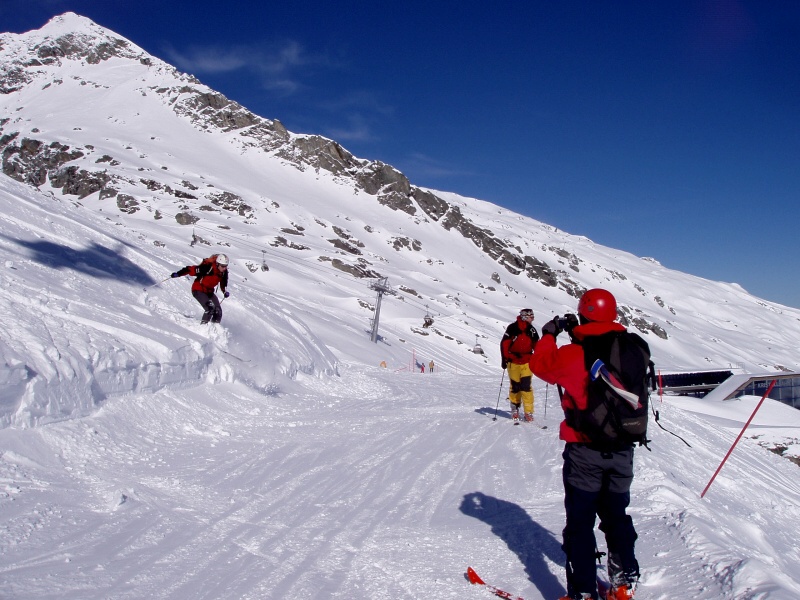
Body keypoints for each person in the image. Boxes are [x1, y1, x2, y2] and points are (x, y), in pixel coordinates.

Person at [530, 289, 641, 600]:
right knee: (616, 516)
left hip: (584, 452)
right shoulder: (631, 350)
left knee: (580, 523)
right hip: (623, 449)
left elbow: (540, 365)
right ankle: (622, 583)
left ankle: (583, 591)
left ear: (583, 314)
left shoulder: (572, 354)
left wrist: (550, 334)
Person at [500, 308, 539, 422]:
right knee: (515, 386)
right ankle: (515, 408)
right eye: (530, 316)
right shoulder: (512, 328)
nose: (532, 318)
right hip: (513, 362)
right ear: (524, 317)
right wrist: (505, 358)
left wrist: (539, 358)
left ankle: (528, 411)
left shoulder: (531, 330)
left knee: (526, 386)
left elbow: (537, 345)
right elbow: (505, 343)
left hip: (527, 361)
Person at [172, 254, 230, 324]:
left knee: (218, 311)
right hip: (198, 290)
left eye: (226, 266)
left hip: (209, 292)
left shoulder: (223, 272)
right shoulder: (208, 268)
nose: (224, 268)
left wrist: (224, 291)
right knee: (210, 308)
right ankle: (204, 327)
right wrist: (178, 274)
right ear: (217, 264)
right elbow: (190, 269)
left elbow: (223, 283)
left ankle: (215, 328)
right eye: (223, 266)